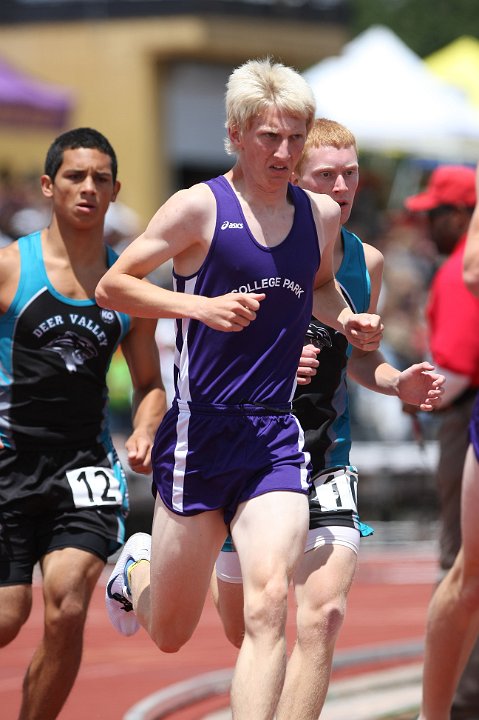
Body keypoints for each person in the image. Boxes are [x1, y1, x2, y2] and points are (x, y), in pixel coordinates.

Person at [96, 59, 384, 720]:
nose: (282, 152)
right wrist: (196, 307)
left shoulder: (315, 215)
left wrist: (349, 320)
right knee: (168, 631)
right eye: (267, 138)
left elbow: (317, 286)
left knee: (268, 604)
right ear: (234, 134)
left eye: (293, 137)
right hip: (198, 433)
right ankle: (133, 567)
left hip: (272, 436)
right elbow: (115, 286)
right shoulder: (198, 207)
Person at [211, 118, 445, 719]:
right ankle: (141, 566)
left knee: (324, 614)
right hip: (247, 456)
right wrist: (270, 366)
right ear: (294, 177)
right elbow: (200, 348)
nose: (342, 187)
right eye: (326, 175)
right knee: (248, 631)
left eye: (351, 174)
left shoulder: (366, 262)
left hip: (325, 459)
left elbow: (362, 363)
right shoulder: (250, 249)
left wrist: (398, 383)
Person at [0, 127, 166, 720]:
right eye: (75, 176)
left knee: (68, 603)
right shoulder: (9, 268)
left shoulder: (127, 287)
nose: (88, 188)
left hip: (84, 467)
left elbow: (150, 384)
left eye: (100, 178)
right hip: (8, 464)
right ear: (49, 186)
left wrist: (146, 429)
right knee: (7, 617)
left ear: (115, 189)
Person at [404, 165, 479, 720]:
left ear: (462, 214)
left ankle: (460, 699)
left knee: (460, 567)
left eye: (434, 214)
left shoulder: (459, 271)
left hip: (462, 419)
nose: (424, 224)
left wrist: (413, 395)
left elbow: (455, 368)